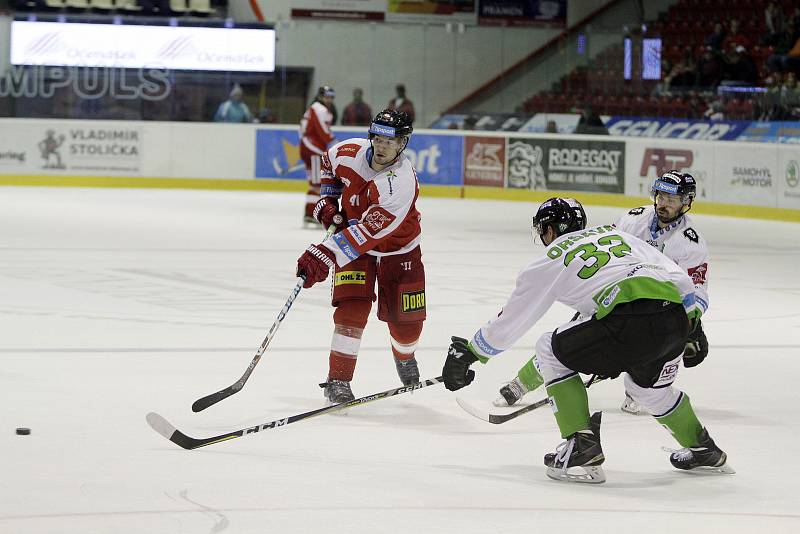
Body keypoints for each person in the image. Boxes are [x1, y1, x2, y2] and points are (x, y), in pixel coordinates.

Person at [441, 197, 733, 483]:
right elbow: (677, 276)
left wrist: (471, 353)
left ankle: (580, 447)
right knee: (648, 391)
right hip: (674, 318)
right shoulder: (616, 235)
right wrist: (692, 322)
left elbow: (511, 321)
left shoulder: (549, 258)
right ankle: (703, 448)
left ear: (550, 230)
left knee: (549, 348)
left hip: (628, 319)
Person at [494, 171, 711, 417]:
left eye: (672, 199)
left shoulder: (691, 243)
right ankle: (522, 382)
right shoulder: (634, 218)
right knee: (565, 338)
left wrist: (692, 322)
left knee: (657, 342)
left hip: (658, 307)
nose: (663, 204)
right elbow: (601, 242)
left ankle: (642, 387)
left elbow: (698, 292)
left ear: (686, 201)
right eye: (661, 196)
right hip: (613, 295)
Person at [295, 109, 425, 405]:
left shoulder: (401, 183)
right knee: (350, 313)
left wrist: (323, 254)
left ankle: (404, 356)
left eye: (390, 142)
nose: (382, 147)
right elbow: (328, 165)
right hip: (354, 249)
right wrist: (328, 201)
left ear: (403, 143)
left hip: (398, 251)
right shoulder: (348, 151)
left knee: (407, 326)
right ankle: (338, 379)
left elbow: (367, 234)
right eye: (378, 138)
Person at [300, 86, 336, 226]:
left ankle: (309, 214)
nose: (329, 100)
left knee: (314, 183)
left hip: (309, 147)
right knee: (317, 184)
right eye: (327, 96)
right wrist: (332, 141)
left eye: (331, 97)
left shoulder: (314, 108)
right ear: (320, 97)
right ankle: (310, 214)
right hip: (313, 149)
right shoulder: (319, 109)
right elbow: (322, 129)